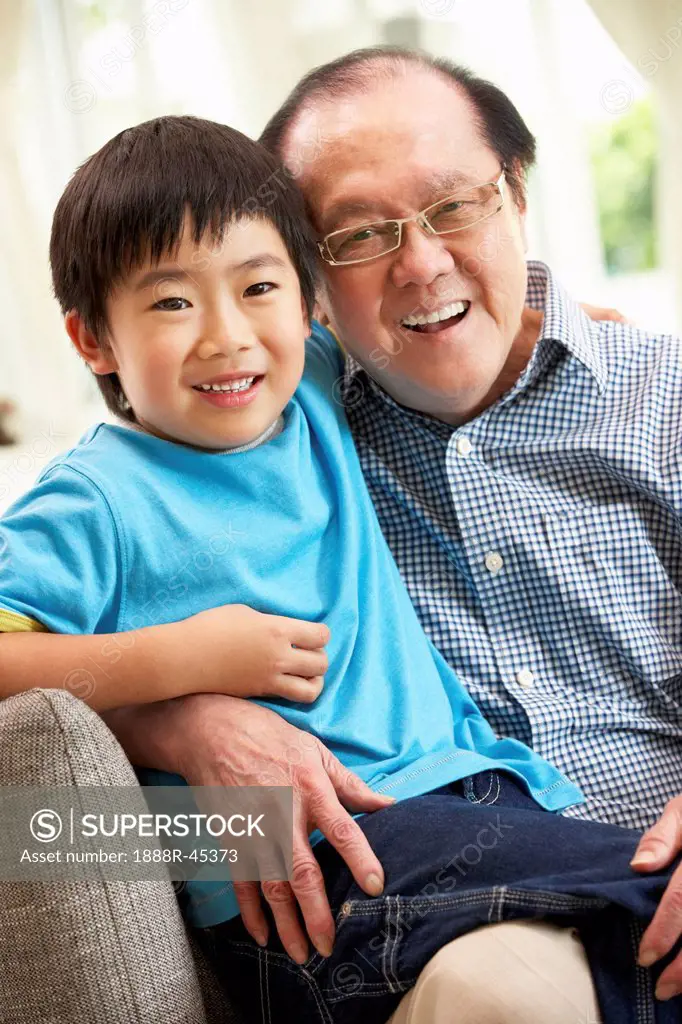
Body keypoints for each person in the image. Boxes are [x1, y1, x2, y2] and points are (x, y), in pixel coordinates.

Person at [0, 112, 680, 1024]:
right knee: (647, 889)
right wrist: (186, 667)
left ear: (309, 302)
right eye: (171, 303)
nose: (225, 336)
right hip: (315, 867)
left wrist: (570, 328)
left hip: (473, 800)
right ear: (92, 340)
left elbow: (452, 326)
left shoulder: (310, 392)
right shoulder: (93, 498)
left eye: (259, 288)